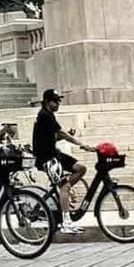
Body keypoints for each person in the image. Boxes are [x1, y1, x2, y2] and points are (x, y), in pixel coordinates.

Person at [31, 88, 96, 235]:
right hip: (46, 158)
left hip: (55, 154)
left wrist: (66, 135)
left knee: (80, 168)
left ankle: (63, 191)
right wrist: (81, 144)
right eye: (56, 101)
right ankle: (66, 222)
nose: (59, 103)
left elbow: (53, 137)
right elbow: (60, 133)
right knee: (65, 186)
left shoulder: (48, 115)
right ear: (48, 102)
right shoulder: (45, 115)